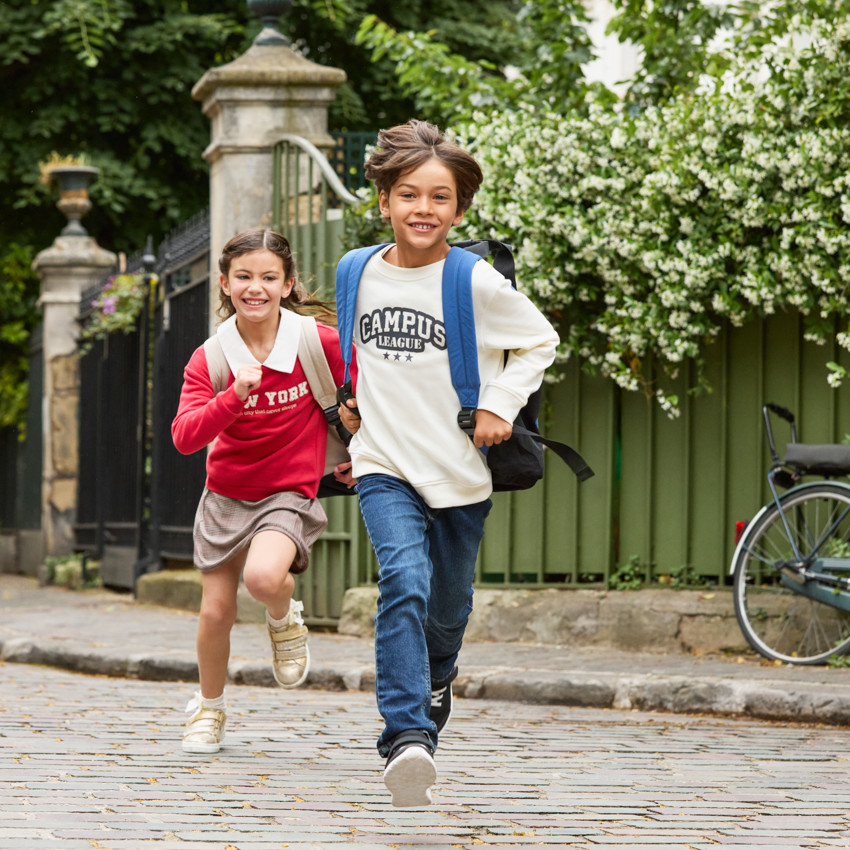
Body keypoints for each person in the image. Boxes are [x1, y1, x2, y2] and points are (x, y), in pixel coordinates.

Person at [337, 119, 559, 806]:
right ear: (384, 202)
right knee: (402, 577)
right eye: (408, 194)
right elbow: (354, 356)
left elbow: (538, 341)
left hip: (460, 471)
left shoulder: (473, 281)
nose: (422, 209)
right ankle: (407, 738)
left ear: (458, 211)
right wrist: (349, 406)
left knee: (448, 607)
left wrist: (497, 403)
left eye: (439, 198)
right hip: (383, 461)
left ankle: (439, 674)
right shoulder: (355, 272)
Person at [172, 227, 355, 755]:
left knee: (265, 577)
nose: (257, 287)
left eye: (269, 277)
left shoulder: (316, 342)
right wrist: (232, 397)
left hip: (287, 493)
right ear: (226, 285)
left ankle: (283, 617)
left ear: (288, 283)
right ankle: (209, 710)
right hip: (226, 495)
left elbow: (363, 399)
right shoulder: (211, 357)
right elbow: (186, 438)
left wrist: (359, 458)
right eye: (245, 277)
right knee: (215, 613)